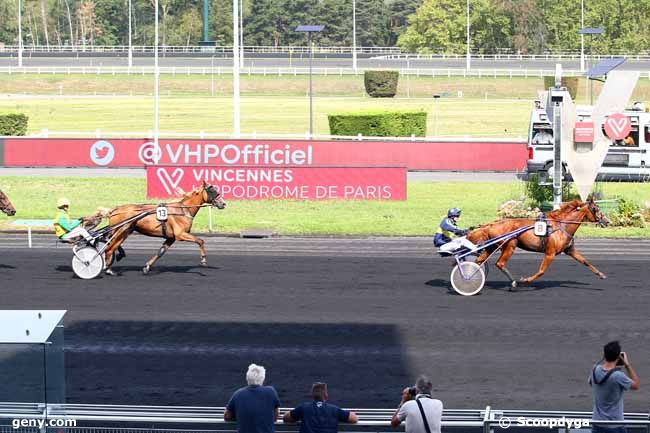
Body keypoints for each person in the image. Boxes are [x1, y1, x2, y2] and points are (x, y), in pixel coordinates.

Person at [589, 341, 640, 433]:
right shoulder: (618, 376)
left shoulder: (594, 370)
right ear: (618, 357)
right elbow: (636, 385)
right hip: (615, 425)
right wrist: (627, 365)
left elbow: (591, 383)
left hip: (597, 422)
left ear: (604, 355)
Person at [225, 364, 280, 433]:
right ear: (263, 379)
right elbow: (275, 416)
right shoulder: (271, 391)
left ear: (247, 378)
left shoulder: (238, 393)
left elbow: (227, 416)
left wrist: (242, 416)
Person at [283, 383, 358, 433]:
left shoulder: (304, 408)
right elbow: (354, 418)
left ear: (312, 396)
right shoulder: (334, 409)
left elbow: (286, 418)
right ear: (326, 396)